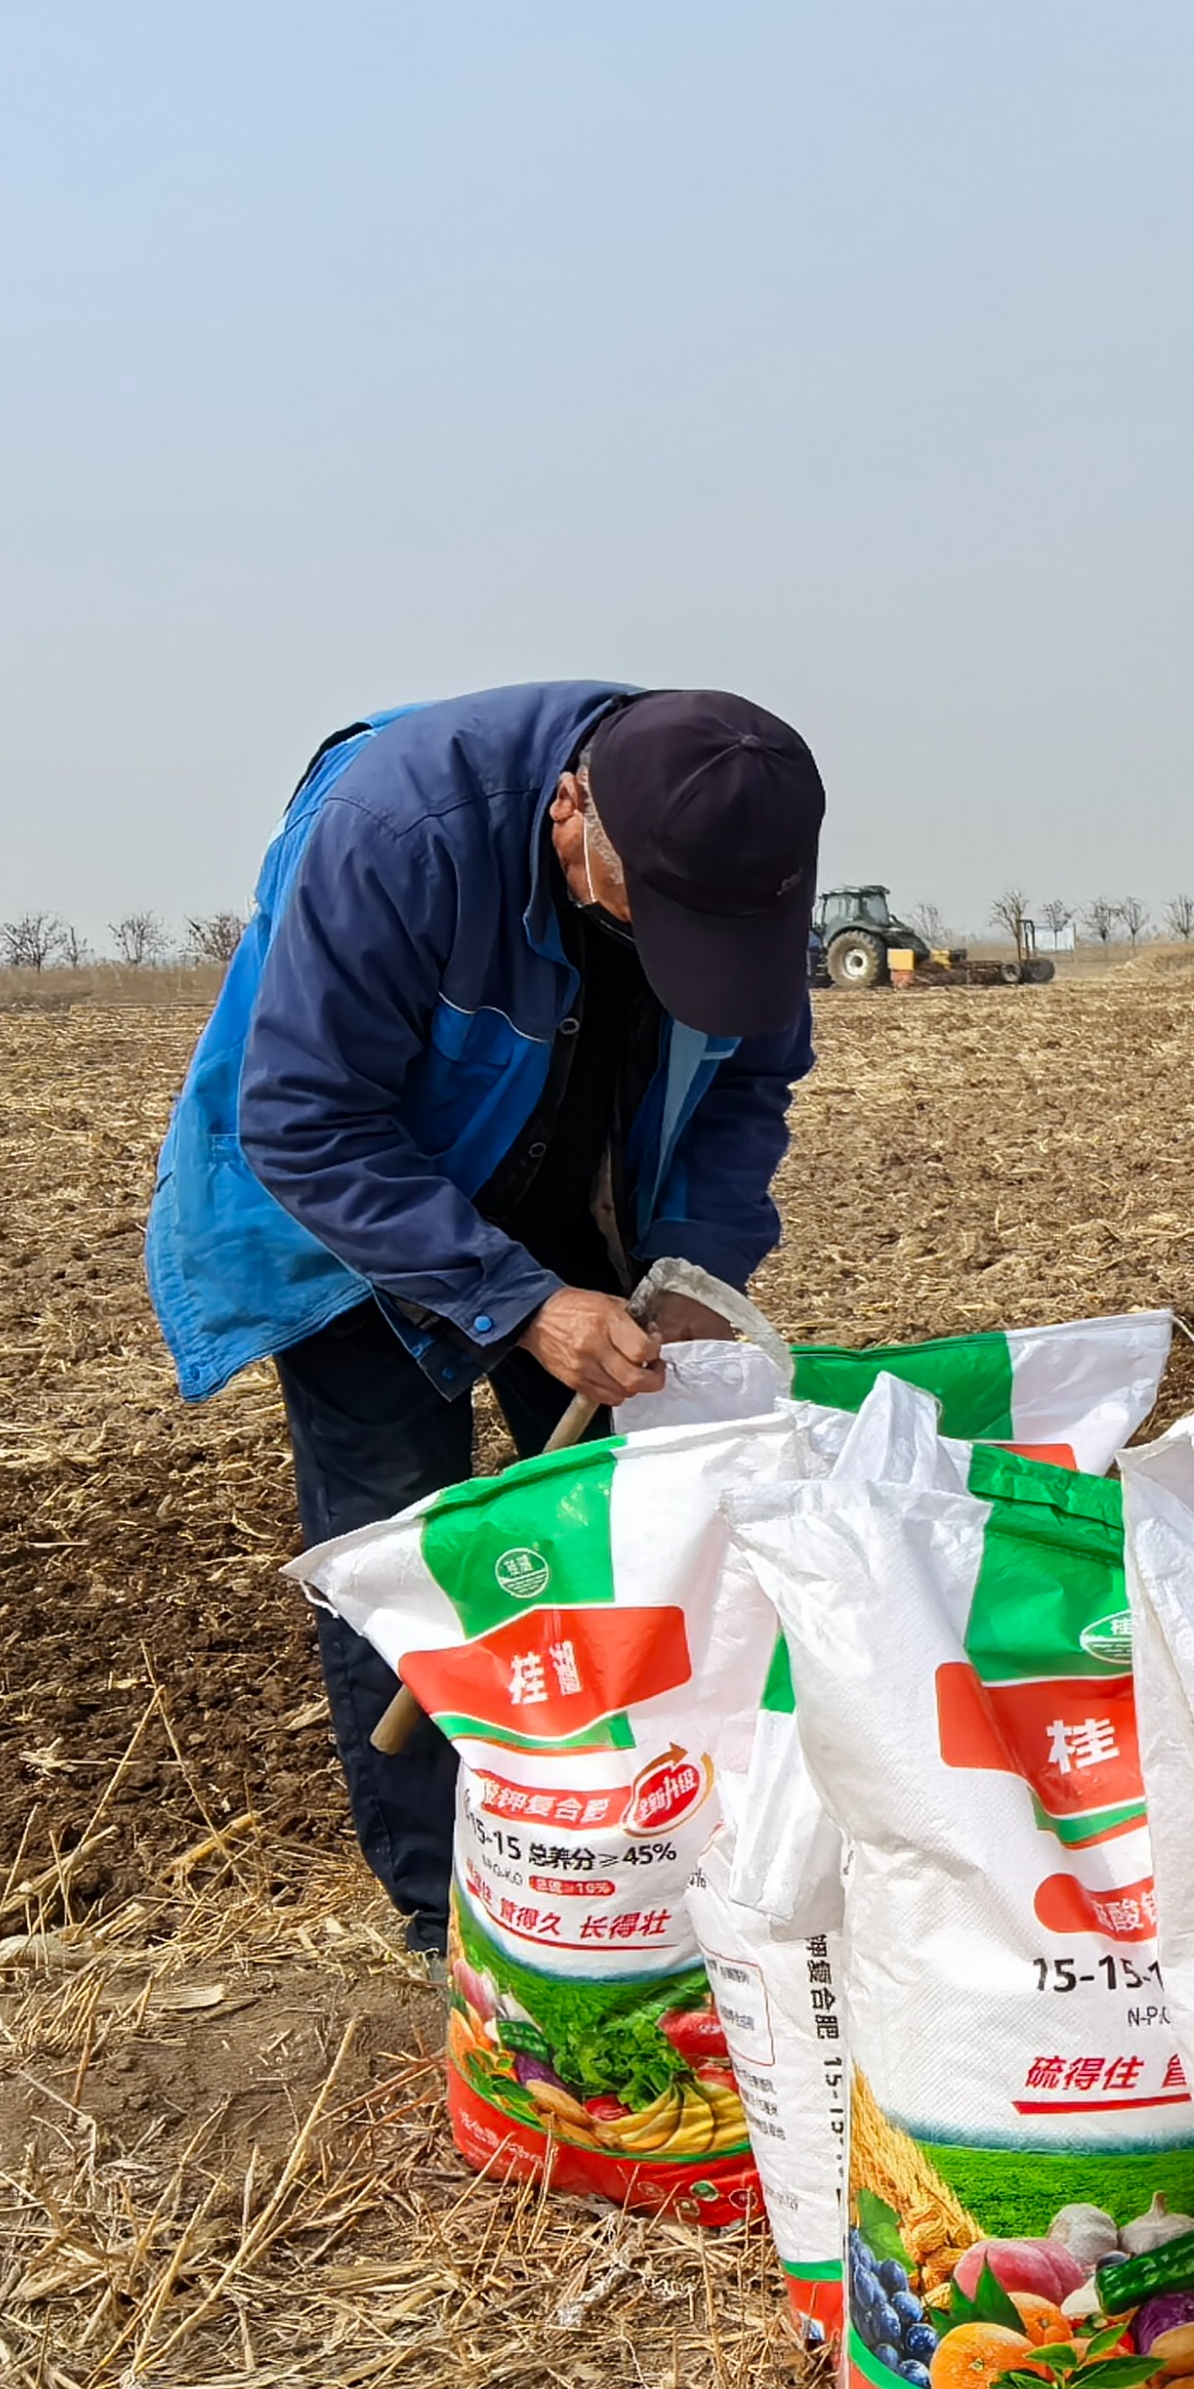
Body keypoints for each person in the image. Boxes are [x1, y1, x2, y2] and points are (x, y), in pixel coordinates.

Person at [147, 684, 820, 1959]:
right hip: (360, 1223)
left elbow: (750, 1087)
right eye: (650, 912)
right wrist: (516, 1302)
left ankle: (640, 1869)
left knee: (638, 1524)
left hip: (585, 1205)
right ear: (571, 813)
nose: (673, 945)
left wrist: (696, 1262)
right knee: (409, 1551)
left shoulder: (739, 851)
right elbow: (303, 1117)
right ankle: (448, 1917)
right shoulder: (393, 834)